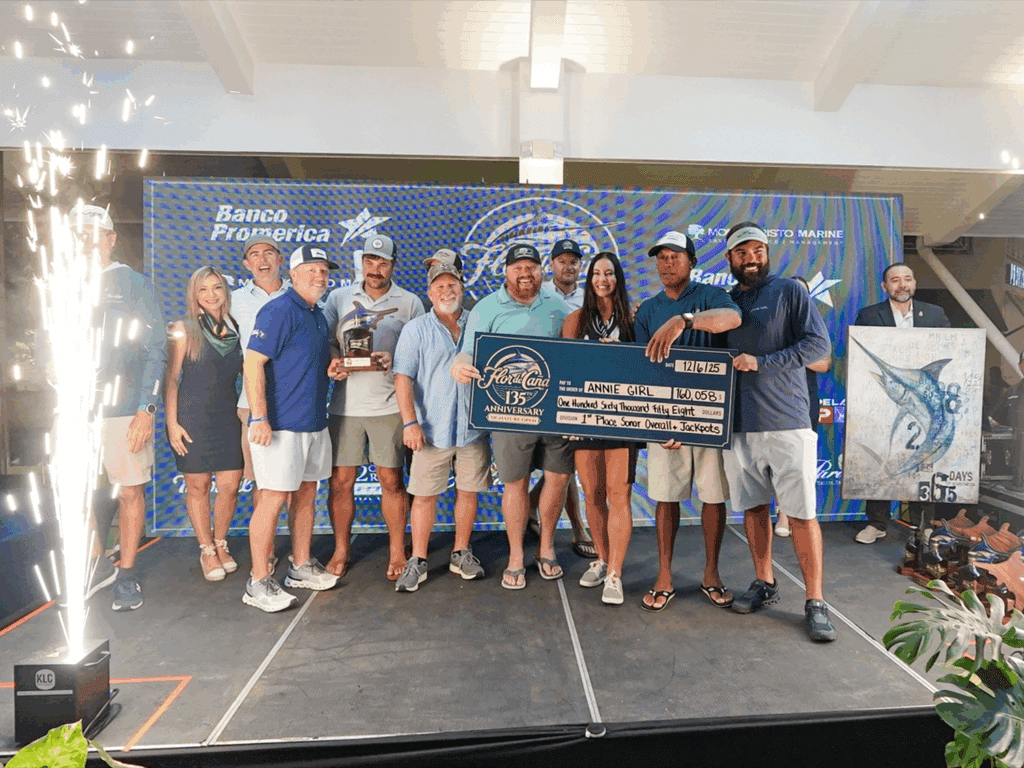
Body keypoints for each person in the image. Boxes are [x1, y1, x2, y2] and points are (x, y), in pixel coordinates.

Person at [721, 221, 836, 642]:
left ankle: (816, 601)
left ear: (767, 253)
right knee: (753, 509)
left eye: (757, 251)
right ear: (729, 258)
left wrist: (763, 363)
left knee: (802, 514)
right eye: (742, 252)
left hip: (787, 421)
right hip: (738, 425)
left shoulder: (789, 291)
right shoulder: (725, 302)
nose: (750, 258)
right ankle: (764, 581)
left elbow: (817, 346)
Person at [451, 243, 571, 590]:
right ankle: (516, 554)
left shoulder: (557, 306)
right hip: (508, 413)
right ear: (506, 272)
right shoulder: (487, 307)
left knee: (558, 478)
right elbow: (468, 352)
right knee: (515, 483)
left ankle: (546, 546)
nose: (525, 274)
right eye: (517, 267)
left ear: (541, 271)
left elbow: (573, 350)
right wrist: (460, 365)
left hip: (554, 411)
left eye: (531, 267)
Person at [634, 231, 742, 611]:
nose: (667, 264)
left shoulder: (710, 296)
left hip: (709, 415)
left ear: (692, 262)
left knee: (713, 496)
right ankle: (664, 576)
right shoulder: (648, 309)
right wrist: (657, 420)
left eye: (675, 256)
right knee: (666, 497)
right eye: (661, 258)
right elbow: (641, 368)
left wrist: (684, 320)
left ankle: (711, 573)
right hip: (665, 419)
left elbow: (732, 318)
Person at [72, 204, 167, 612]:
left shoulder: (133, 284)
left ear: (111, 239)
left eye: (95, 234)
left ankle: (126, 573)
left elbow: (156, 348)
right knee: (74, 492)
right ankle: (98, 565)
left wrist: (146, 408)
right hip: (75, 411)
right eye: (79, 235)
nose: (86, 241)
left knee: (129, 492)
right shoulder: (62, 284)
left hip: (125, 408)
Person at [242, 244, 341, 612]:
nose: (319, 276)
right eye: (311, 269)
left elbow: (308, 358)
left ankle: (299, 566)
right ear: (294, 274)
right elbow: (252, 363)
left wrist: (333, 365)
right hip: (281, 426)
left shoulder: (317, 314)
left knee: (306, 494)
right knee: (272, 498)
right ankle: (257, 582)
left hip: (314, 421)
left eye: (324, 270)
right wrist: (259, 417)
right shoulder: (278, 309)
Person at [323, 234, 424, 581]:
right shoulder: (338, 298)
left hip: (389, 405)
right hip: (344, 406)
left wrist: (395, 360)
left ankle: (397, 550)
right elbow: (327, 343)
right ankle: (341, 549)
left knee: (391, 480)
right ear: (362, 263)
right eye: (369, 261)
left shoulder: (410, 302)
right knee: (341, 481)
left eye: (382, 262)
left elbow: (421, 352)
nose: (375, 269)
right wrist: (334, 362)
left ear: (393, 265)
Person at [393, 261, 491, 592]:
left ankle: (461, 552)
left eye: (452, 285)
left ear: (462, 289)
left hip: (473, 428)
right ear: (429, 292)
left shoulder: (480, 324)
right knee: (423, 496)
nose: (447, 291)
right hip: (430, 430)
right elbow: (402, 379)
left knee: (468, 491)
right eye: (440, 286)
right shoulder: (415, 329)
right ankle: (418, 559)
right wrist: (410, 423)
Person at [853, 263, 951, 543]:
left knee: (925, 456)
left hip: (924, 399)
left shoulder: (934, 314)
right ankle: (877, 523)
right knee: (883, 453)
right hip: (883, 400)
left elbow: (951, 346)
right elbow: (861, 358)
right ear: (885, 287)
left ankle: (924, 524)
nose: (902, 284)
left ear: (914, 283)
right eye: (895, 280)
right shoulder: (869, 315)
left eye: (907, 279)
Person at [561, 252, 637, 604]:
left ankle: (616, 574)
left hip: (622, 419)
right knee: (592, 494)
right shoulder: (575, 320)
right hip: (585, 419)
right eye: (596, 273)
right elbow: (566, 370)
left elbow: (647, 368)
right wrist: (567, 417)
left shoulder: (634, 320)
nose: (602, 279)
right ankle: (603, 559)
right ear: (589, 279)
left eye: (609, 273)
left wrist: (623, 355)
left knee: (618, 494)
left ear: (618, 278)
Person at [164, 266, 244, 581]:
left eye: (216, 288)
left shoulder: (236, 327)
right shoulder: (182, 329)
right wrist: (172, 423)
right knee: (198, 487)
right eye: (203, 289)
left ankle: (220, 542)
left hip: (228, 416)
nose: (211, 295)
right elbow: (171, 379)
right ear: (194, 294)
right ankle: (207, 549)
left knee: (230, 486)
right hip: (192, 417)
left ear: (225, 291)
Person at [531, 238, 595, 559]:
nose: (568, 267)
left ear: (580, 266)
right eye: (562, 261)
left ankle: (533, 506)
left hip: (581, 385)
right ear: (551, 265)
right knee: (561, 462)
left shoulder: (591, 296)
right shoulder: (538, 295)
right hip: (545, 385)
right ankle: (578, 526)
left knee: (566, 462)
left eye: (573, 261)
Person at [232, 235, 291, 500]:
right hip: (252, 403)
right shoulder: (232, 301)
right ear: (247, 264)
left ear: (280, 259)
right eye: (254, 254)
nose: (262, 259)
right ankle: (265, 531)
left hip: (294, 402)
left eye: (268, 253)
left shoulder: (299, 295)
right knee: (261, 481)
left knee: (295, 480)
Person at [774, 275, 831, 539]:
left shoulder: (813, 326)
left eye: (803, 292)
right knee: (777, 459)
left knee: (801, 459)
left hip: (804, 399)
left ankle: (799, 513)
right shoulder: (771, 323)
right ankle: (782, 513)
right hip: (773, 397)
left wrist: (786, 354)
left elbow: (823, 364)